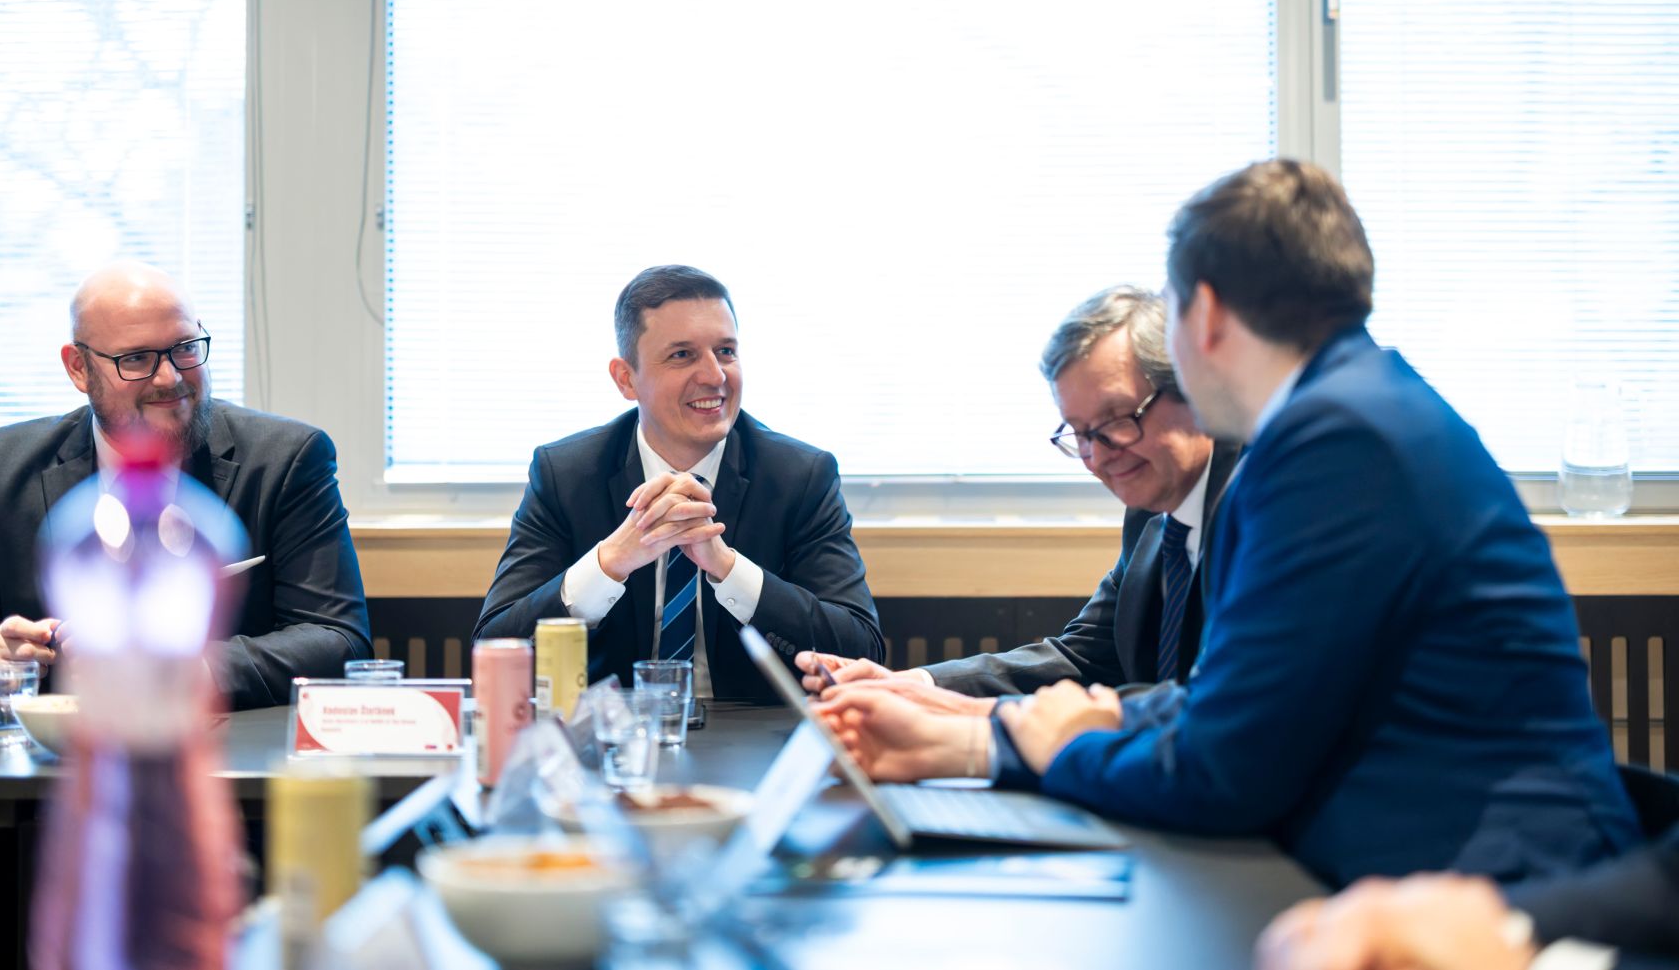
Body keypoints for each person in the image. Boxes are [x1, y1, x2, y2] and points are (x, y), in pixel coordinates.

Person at [818, 160, 1641, 888]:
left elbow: (1226, 763)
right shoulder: (1360, 410)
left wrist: (1036, 747)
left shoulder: (1331, 444)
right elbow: (1231, 702)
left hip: (1495, 887)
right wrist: (986, 737)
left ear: (1203, 315)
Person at [0, 261, 371, 968]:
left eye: (186, 348)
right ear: (78, 367)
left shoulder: (287, 459)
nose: (169, 377)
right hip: (40, 787)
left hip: (230, 785)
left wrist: (173, 667)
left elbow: (338, 635)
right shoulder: (6, 463)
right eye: (136, 359)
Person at [797, 287, 1238, 716]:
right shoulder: (1150, 509)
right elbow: (1085, 656)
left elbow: (1211, 703)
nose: (1099, 456)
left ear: (1192, 386)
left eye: (1117, 420)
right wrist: (910, 685)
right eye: (1080, 434)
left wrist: (979, 736)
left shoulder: (1258, 507)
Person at [473, 264, 881, 702]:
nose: (715, 376)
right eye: (682, 355)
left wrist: (727, 568)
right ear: (626, 379)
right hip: (614, 743)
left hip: (757, 741)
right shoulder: (567, 474)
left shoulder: (799, 476)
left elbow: (860, 652)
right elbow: (495, 652)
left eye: (725, 351)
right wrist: (610, 562)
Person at [1256, 827, 1679, 970]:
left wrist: (1528, 962)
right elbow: (1667, 878)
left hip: (1501, 843)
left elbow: (1223, 771)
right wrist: (1495, 922)